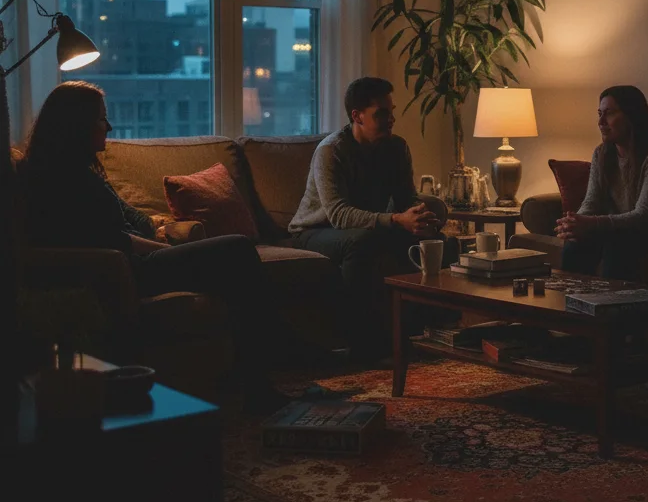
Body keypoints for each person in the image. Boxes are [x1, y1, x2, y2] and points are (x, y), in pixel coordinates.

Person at [18, 81, 289, 412]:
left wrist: (160, 233)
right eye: (102, 119)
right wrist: (160, 249)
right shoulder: (65, 181)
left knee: (231, 263)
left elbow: (123, 222)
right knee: (237, 250)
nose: (110, 126)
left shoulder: (76, 171)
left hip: (129, 262)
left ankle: (252, 367)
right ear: (77, 125)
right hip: (125, 271)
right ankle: (262, 377)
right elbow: (115, 242)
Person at [289, 77, 450, 349]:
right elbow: (339, 215)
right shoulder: (331, 151)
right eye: (382, 113)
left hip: (368, 228)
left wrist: (418, 217)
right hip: (315, 231)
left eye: (392, 111)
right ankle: (362, 343)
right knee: (362, 243)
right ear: (357, 116)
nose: (391, 119)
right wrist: (397, 220)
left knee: (434, 241)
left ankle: (432, 334)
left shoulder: (396, 148)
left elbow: (405, 198)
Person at [555, 85, 648, 279]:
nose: (601, 122)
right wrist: (574, 223)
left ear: (632, 116)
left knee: (618, 243)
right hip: (618, 229)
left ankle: (610, 305)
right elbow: (591, 202)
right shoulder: (601, 153)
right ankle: (569, 301)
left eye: (609, 114)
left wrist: (591, 223)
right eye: (599, 114)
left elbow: (643, 216)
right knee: (576, 241)